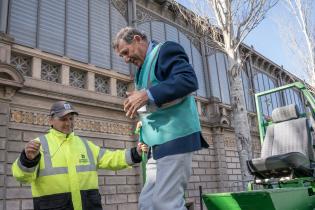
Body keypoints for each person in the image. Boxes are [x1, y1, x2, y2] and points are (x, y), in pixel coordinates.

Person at [113, 27, 209, 210]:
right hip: (155, 146)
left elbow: (188, 80)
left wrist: (146, 94)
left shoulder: (165, 50)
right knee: (147, 204)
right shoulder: (141, 70)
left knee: (166, 204)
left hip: (175, 137)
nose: (126, 59)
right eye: (122, 56)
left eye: (126, 52)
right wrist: (139, 105)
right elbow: (155, 100)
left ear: (137, 39)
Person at [12, 101, 147, 210]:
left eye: (71, 119)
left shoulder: (85, 145)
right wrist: (28, 159)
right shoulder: (37, 145)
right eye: (63, 119)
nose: (68, 123)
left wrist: (136, 153)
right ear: (51, 121)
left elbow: (110, 158)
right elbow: (22, 177)